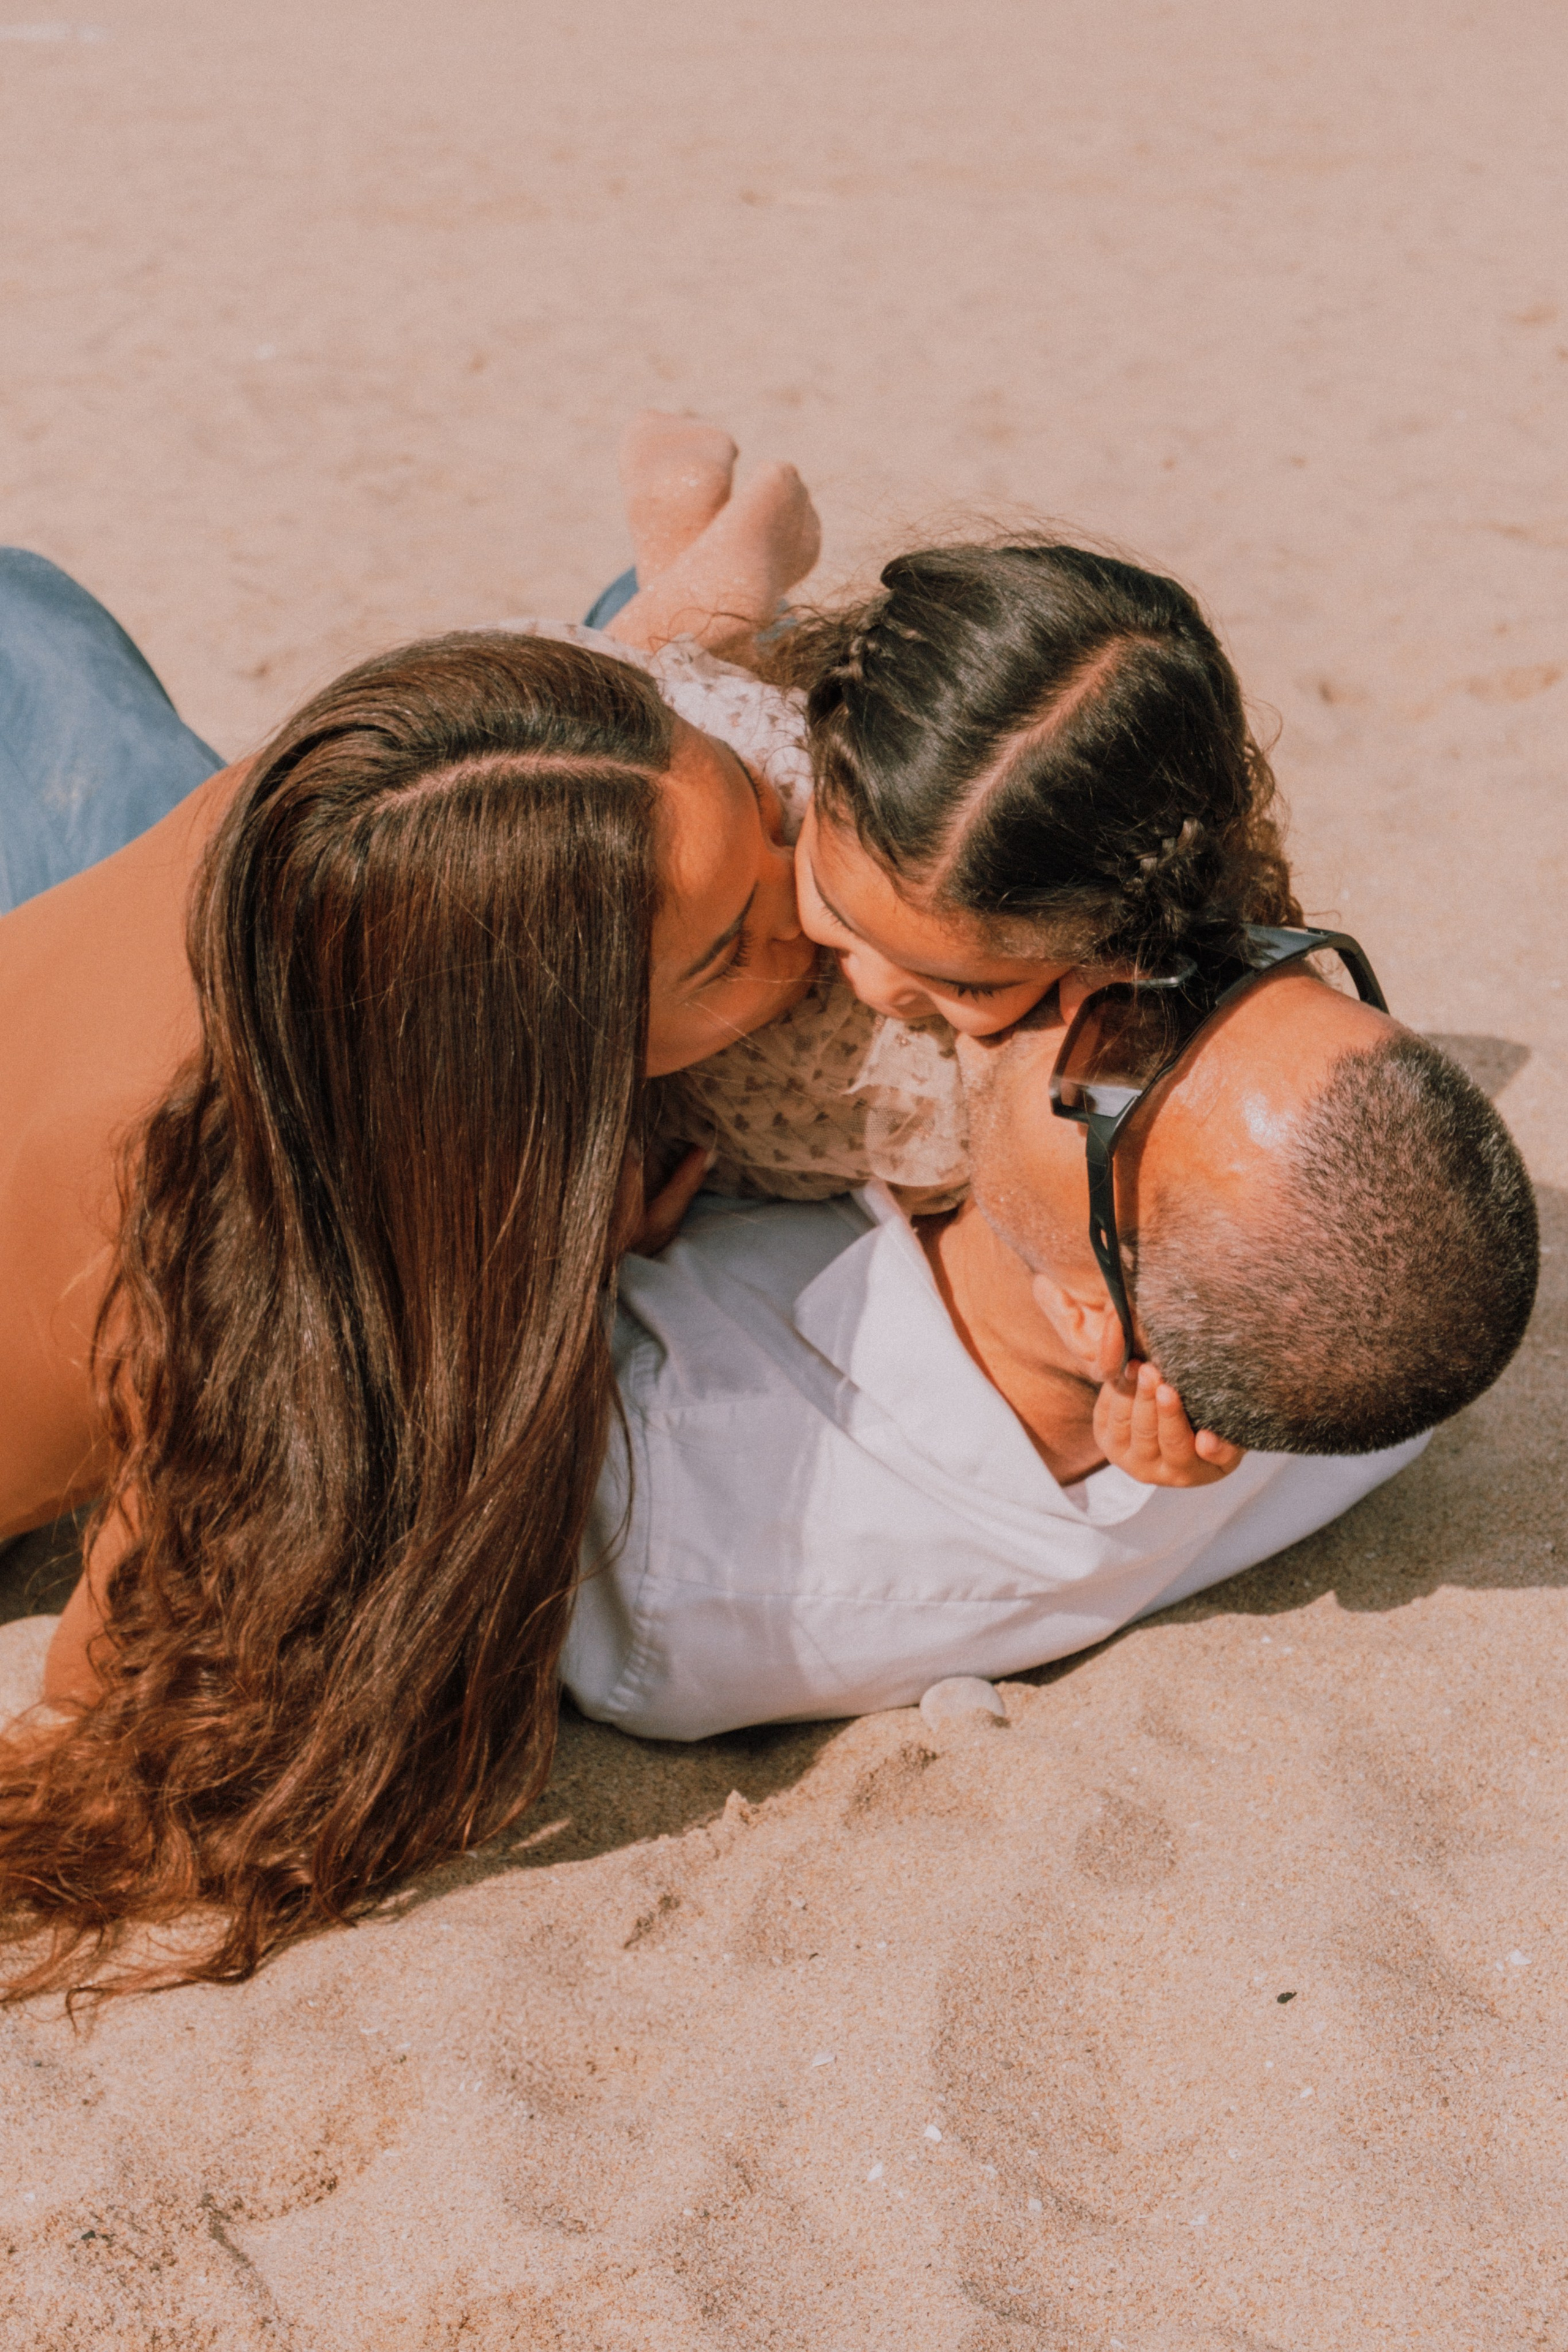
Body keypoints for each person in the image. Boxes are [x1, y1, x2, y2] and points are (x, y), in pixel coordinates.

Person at [563, 956, 1539, 1740]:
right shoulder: (1363, 1343)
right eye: (1232, 959)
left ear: (1090, 1319)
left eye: (1128, 1051)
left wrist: (554, 1270)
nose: (1091, 976)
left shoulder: (681, 1523)